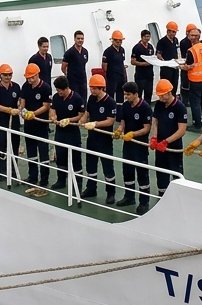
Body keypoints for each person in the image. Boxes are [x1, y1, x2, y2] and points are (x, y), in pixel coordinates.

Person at [149, 79, 188, 209]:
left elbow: (181, 130)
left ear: (169, 93)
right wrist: (154, 137)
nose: (159, 97)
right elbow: (155, 121)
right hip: (160, 146)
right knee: (160, 171)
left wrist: (167, 141)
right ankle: (162, 197)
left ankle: (178, 200)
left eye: (161, 95)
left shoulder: (180, 107)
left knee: (176, 172)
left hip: (173, 147)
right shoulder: (160, 105)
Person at [114, 81, 152, 212]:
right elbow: (123, 122)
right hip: (128, 145)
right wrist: (119, 130)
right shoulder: (125, 106)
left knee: (142, 174)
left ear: (136, 94)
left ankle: (144, 202)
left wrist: (133, 134)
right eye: (125, 94)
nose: (126, 97)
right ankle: (129, 197)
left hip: (140, 146)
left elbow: (147, 128)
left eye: (128, 95)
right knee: (127, 172)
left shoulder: (145, 107)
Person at [80, 74, 117, 202]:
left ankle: (111, 192)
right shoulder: (91, 98)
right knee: (91, 165)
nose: (91, 90)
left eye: (93, 88)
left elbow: (110, 121)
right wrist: (84, 120)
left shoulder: (110, 102)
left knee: (108, 167)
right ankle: (91, 188)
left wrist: (95, 124)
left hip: (104, 140)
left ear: (101, 88)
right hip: (92, 138)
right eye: (90, 88)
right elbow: (87, 112)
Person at [48, 76, 86, 192]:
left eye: (60, 90)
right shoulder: (56, 97)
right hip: (60, 132)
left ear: (66, 88)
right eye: (57, 90)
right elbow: (52, 109)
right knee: (61, 156)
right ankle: (61, 180)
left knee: (75, 158)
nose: (58, 92)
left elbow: (81, 114)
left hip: (72, 133)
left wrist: (69, 120)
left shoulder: (77, 98)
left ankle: (78, 183)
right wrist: (53, 117)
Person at [18, 63, 53, 187]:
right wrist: (22, 111)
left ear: (37, 75)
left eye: (32, 77)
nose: (30, 80)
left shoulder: (45, 88)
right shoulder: (25, 87)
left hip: (41, 125)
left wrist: (33, 114)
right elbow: (22, 103)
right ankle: (32, 177)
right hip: (29, 125)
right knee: (31, 152)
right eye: (28, 78)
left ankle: (44, 180)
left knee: (43, 152)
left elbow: (46, 106)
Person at [0, 64, 22, 185]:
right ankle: (2, 172)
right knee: (1, 145)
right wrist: (9, 110)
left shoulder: (16, 87)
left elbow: (20, 101)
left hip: (14, 121)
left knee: (14, 145)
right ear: (0, 75)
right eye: (5, 75)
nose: (8, 77)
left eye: (10, 75)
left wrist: (20, 108)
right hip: (2, 120)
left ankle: (14, 171)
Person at [180, 24, 202, 129]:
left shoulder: (191, 51)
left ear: (192, 37)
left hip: (196, 79)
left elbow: (189, 66)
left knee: (195, 102)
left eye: (190, 35)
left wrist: (181, 66)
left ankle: (197, 123)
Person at [60, 30, 90, 98]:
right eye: (78, 38)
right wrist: (69, 75)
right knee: (74, 99)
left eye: (82, 39)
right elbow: (63, 67)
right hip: (73, 82)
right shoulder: (69, 52)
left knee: (83, 100)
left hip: (83, 81)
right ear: (74, 39)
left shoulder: (85, 52)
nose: (80, 40)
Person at [101, 30, 128, 102]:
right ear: (112, 40)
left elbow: (122, 63)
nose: (118, 42)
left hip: (121, 77)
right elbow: (104, 66)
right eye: (116, 40)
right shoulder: (108, 51)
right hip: (112, 77)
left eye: (120, 40)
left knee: (120, 95)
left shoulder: (122, 50)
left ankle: (120, 110)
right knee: (110, 95)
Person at [157, 22, 181, 92]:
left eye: (174, 32)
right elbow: (159, 55)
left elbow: (178, 51)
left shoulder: (175, 40)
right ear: (168, 31)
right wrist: (165, 62)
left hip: (175, 66)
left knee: (175, 84)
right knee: (166, 85)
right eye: (172, 32)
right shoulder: (162, 42)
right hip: (166, 68)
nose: (173, 34)